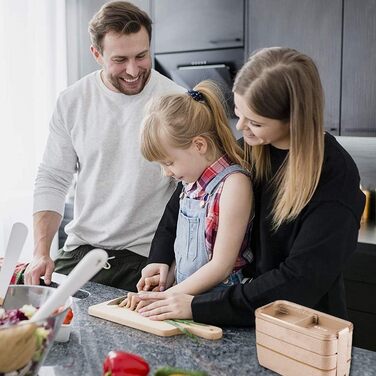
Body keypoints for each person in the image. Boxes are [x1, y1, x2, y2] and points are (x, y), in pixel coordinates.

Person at [133, 47, 365, 325]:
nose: (241, 126)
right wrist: (159, 257)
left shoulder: (334, 179)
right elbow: (187, 197)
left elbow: (298, 280)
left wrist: (199, 306)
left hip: (302, 328)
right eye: (239, 113)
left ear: (294, 119)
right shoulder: (251, 149)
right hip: (241, 315)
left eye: (255, 122)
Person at [24, 1, 185, 291]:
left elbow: (193, 193)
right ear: (96, 54)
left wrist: (172, 263)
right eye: (120, 59)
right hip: (80, 252)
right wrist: (41, 253)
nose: (134, 70)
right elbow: (52, 178)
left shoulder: (177, 101)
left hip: (144, 259)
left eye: (142, 56)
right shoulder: (72, 101)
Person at [119, 80, 254, 309]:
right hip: (185, 297)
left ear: (199, 145)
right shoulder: (191, 184)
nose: (165, 173)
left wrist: (166, 297)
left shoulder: (234, 185)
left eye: (169, 162)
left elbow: (221, 265)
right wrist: (166, 280)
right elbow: (187, 252)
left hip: (219, 302)